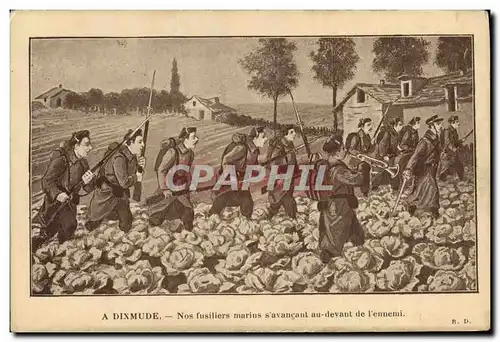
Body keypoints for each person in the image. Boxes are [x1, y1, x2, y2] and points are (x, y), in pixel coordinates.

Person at [33, 130, 95, 249]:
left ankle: (60, 250)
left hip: (69, 204)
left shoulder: (84, 163)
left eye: (90, 144)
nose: (90, 148)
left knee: (69, 227)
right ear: (76, 146)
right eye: (86, 144)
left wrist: (89, 182)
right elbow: (46, 181)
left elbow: (87, 188)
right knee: (47, 231)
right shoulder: (61, 160)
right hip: (55, 203)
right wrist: (58, 194)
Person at [316, 135, 366, 263]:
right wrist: (362, 167)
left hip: (335, 204)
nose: (345, 151)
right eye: (343, 148)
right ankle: (331, 258)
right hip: (339, 206)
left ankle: (354, 250)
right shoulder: (338, 170)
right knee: (336, 235)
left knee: (353, 232)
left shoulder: (328, 166)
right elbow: (357, 179)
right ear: (337, 152)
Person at [86, 129, 145, 232]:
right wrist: (137, 176)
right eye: (140, 142)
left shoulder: (131, 156)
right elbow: (125, 182)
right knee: (93, 223)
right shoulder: (119, 157)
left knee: (126, 224)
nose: (143, 144)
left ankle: (111, 214)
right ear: (130, 142)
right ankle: (98, 219)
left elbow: (131, 175)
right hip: (107, 194)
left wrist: (140, 167)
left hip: (119, 195)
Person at [208, 127, 267, 220]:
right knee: (222, 199)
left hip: (242, 181)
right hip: (229, 179)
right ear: (255, 138)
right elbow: (226, 159)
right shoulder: (242, 149)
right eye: (263, 137)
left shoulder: (254, 151)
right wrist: (233, 177)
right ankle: (211, 217)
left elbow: (251, 167)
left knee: (247, 201)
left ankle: (246, 220)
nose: (265, 139)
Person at [147, 127, 198, 230]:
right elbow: (161, 170)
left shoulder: (190, 154)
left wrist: (191, 184)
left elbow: (187, 171)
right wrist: (165, 189)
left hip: (182, 189)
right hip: (169, 188)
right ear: (185, 139)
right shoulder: (173, 152)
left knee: (188, 214)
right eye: (193, 137)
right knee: (157, 217)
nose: (196, 139)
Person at [402, 115, 443, 219]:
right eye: (438, 124)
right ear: (431, 126)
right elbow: (415, 156)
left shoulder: (436, 139)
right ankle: (432, 212)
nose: (441, 126)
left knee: (420, 192)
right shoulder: (424, 141)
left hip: (431, 170)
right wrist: (408, 169)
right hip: (424, 170)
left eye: (440, 124)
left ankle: (414, 208)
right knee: (431, 190)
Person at [266, 124, 298, 220]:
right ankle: (294, 220)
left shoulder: (289, 145)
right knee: (287, 199)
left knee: (277, 200)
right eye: (291, 132)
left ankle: (269, 217)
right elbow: (273, 163)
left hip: (288, 176)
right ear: (285, 134)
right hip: (281, 178)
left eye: (294, 131)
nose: (294, 134)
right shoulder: (279, 147)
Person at [345, 118, 373, 197]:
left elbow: (369, 150)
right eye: (368, 125)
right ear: (362, 127)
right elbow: (351, 149)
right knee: (365, 167)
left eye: (371, 124)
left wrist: (372, 144)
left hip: (364, 159)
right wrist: (359, 155)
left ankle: (367, 191)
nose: (370, 127)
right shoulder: (356, 137)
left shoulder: (367, 137)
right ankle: (364, 192)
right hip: (354, 161)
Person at [373, 118, 404, 190]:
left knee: (395, 169)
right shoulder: (388, 133)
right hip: (384, 156)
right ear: (394, 125)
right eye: (400, 125)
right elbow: (382, 145)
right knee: (382, 170)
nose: (401, 127)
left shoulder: (397, 134)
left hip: (392, 155)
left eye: (401, 125)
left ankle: (395, 187)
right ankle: (374, 187)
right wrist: (384, 155)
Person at [438, 115, 464, 181]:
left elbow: (455, 142)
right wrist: (453, 149)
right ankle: (441, 181)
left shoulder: (455, 131)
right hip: (447, 155)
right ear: (452, 123)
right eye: (457, 122)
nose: (458, 123)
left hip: (453, 154)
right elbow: (447, 143)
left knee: (460, 167)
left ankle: (461, 180)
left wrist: (460, 142)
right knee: (444, 171)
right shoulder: (447, 131)